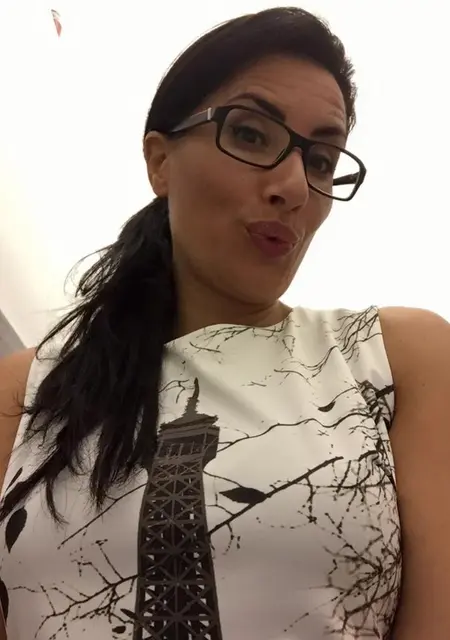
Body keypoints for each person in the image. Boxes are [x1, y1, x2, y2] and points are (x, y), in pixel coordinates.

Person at [1, 6, 450, 639]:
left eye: (323, 160)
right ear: (160, 161)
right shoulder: (25, 389)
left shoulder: (400, 357)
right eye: (250, 134)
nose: (294, 186)